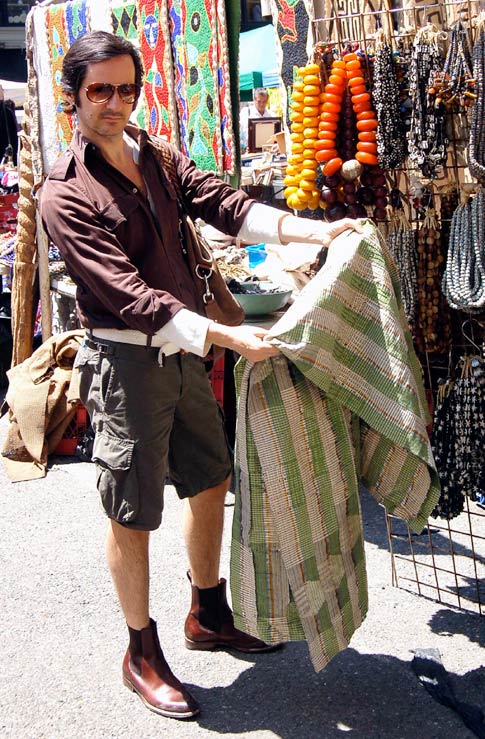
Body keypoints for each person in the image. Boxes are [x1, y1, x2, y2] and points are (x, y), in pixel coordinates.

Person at [39, 30, 362, 721]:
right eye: (100, 90)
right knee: (132, 510)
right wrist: (225, 336)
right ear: (73, 97)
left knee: (210, 476)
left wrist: (313, 231)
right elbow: (129, 296)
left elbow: (223, 203)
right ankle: (140, 650)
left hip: (185, 352)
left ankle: (207, 611)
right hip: (128, 360)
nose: (116, 103)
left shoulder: (153, 154)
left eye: (127, 89)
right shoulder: (63, 194)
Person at [239, 87, 275, 152]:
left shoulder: (271, 114)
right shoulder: (246, 112)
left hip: (268, 150)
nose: (261, 104)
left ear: (267, 100)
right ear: (254, 100)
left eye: (264, 101)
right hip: (249, 150)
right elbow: (242, 132)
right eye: (259, 101)